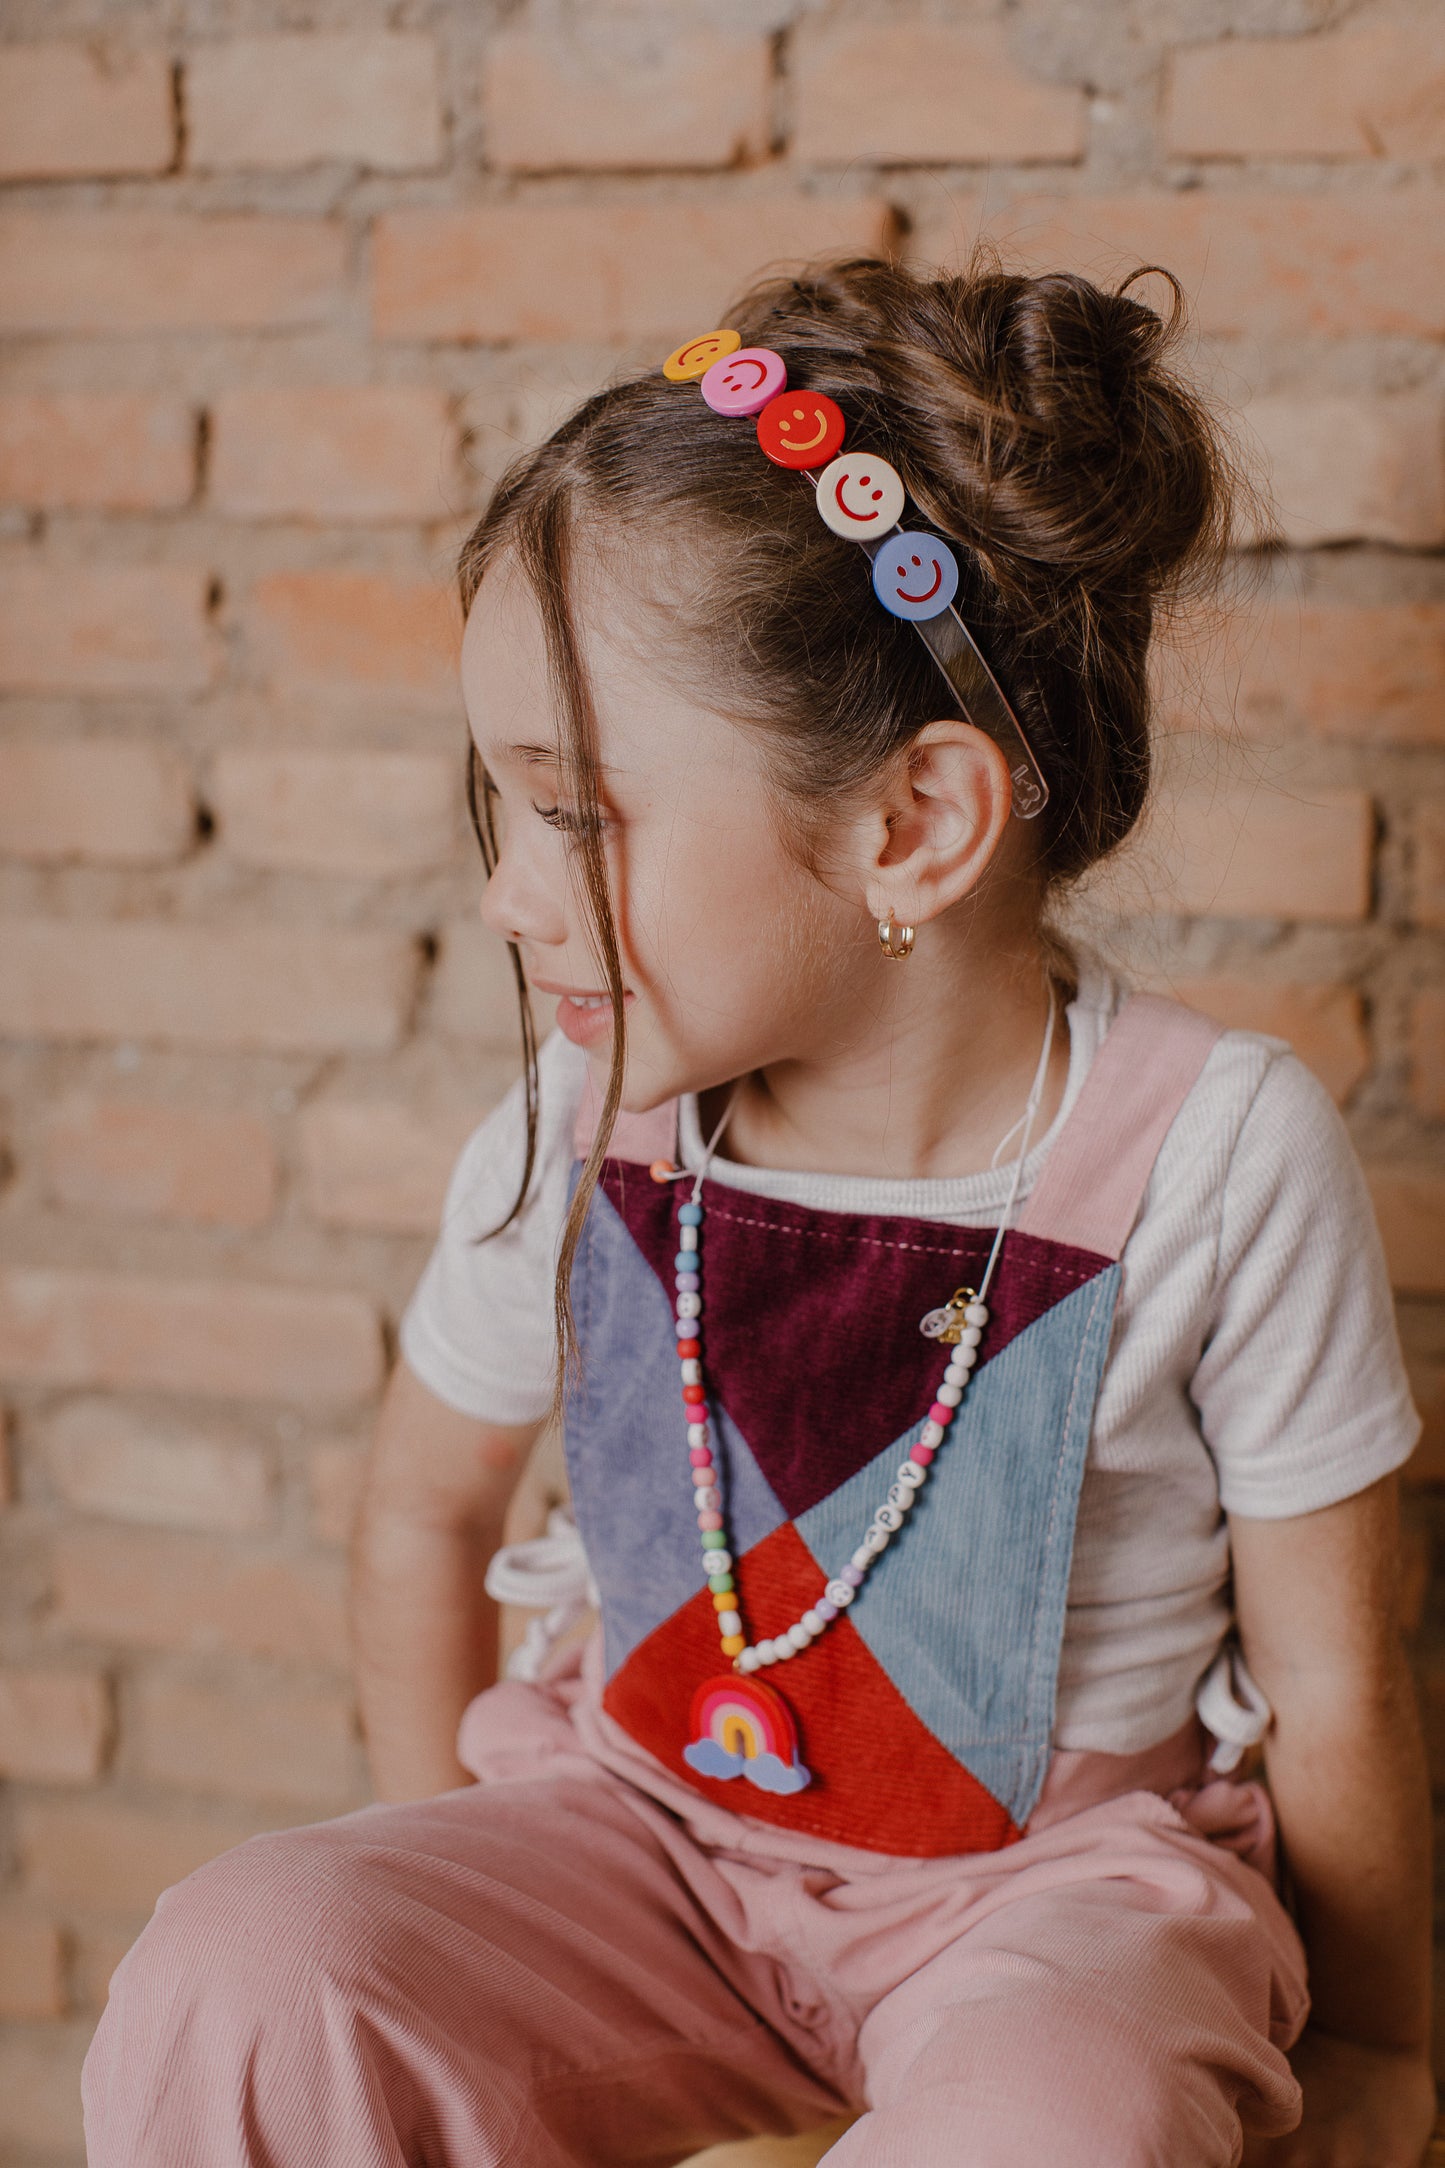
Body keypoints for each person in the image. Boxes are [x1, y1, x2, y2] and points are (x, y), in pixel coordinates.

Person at [83, 256, 1434, 2168]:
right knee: (252, 1962)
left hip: (1049, 1911)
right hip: (639, 1848)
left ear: (911, 826)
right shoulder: (581, 1124)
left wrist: (1380, 2045)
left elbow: (1335, 1671)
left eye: (573, 813)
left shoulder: (1216, 1155)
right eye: (502, 808)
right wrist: (442, 1891)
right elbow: (427, 1508)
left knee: (1063, 2115)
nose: (507, 895)